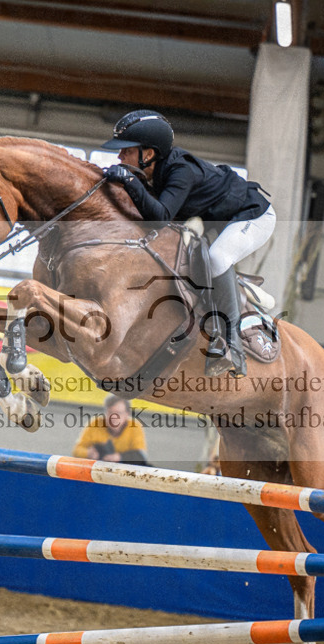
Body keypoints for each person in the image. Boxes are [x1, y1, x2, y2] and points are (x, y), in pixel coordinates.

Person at [101, 110, 276, 379]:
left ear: (148, 153)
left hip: (253, 214)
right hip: (218, 221)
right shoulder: (153, 171)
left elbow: (159, 218)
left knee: (218, 259)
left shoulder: (180, 171)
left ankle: (232, 347)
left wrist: (128, 180)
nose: (120, 157)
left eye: (126, 150)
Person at [72, 394, 149, 465]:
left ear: (127, 414)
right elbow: (77, 450)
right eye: (110, 412)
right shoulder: (95, 424)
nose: (114, 417)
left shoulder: (134, 427)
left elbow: (141, 455)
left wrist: (119, 457)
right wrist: (89, 453)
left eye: (118, 413)